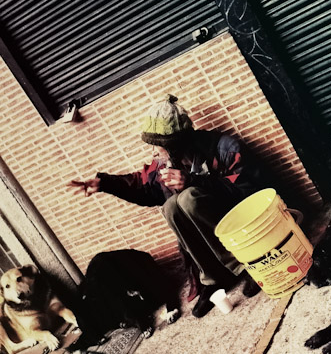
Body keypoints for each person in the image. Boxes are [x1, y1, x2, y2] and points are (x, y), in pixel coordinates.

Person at [70, 94, 265, 317]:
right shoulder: (166, 163)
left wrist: (194, 181)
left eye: (156, 146)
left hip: (244, 224)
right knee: (171, 206)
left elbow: (251, 192)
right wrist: (105, 183)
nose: (153, 152)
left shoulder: (225, 149)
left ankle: (246, 266)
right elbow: (142, 186)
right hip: (217, 233)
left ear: (173, 144)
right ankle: (213, 278)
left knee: (188, 198)